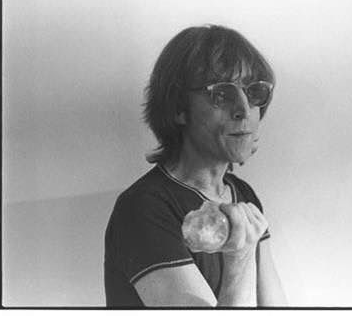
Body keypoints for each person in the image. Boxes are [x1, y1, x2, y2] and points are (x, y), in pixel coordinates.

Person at [104, 25, 287, 307]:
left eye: (254, 92)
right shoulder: (142, 208)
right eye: (222, 94)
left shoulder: (242, 193)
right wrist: (240, 257)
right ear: (179, 108)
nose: (244, 110)